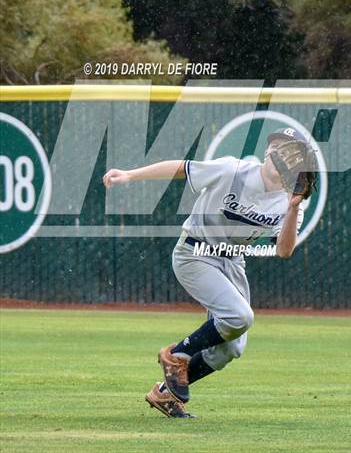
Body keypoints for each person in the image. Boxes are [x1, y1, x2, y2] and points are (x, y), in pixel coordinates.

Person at [103, 127, 309, 419]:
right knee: (240, 317)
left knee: (231, 348)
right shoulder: (232, 170)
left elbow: (284, 250)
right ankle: (176, 355)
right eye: (279, 148)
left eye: (291, 152)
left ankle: (165, 393)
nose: (283, 156)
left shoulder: (293, 198)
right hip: (195, 253)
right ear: (268, 152)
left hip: (232, 262)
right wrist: (131, 174)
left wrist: (292, 208)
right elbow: (181, 168)